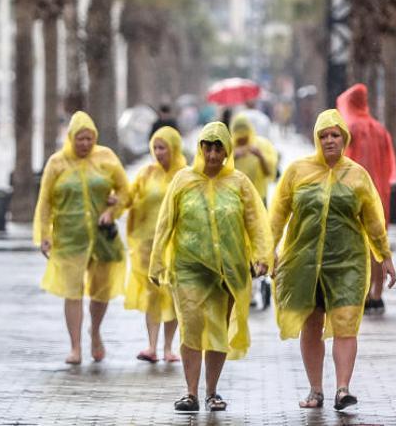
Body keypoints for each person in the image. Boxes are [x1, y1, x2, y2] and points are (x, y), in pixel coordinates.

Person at [269, 109, 396, 411]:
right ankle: (316, 391)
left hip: (347, 263)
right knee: (312, 324)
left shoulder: (357, 176)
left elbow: (373, 220)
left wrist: (385, 255)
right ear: (316, 139)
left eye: (335, 135)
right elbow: (277, 215)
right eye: (324, 135)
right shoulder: (297, 172)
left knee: (345, 324)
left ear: (344, 139)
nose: (329, 140)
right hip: (305, 263)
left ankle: (343, 389)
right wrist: (267, 251)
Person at [149, 122, 271, 412]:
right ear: (200, 148)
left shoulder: (240, 183)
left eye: (219, 147)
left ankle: (212, 391)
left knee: (217, 329)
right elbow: (165, 222)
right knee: (191, 326)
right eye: (208, 146)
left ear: (227, 151)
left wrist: (262, 255)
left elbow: (257, 222)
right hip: (188, 267)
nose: (213, 153)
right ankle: (190, 392)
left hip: (227, 270)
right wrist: (156, 262)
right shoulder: (183, 180)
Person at [33, 111, 130, 365]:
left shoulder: (107, 158)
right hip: (69, 237)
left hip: (102, 239)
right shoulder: (57, 163)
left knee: (101, 292)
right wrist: (45, 234)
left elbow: (125, 190)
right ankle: (75, 347)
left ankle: (95, 332)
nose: (85, 144)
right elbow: (45, 202)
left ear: (95, 137)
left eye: (89, 139)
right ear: (71, 138)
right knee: (72, 292)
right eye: (80, 139)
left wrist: (113, 210)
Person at [125, 126, 187, 364]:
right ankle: (151, 345)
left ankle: (169, 347)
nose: (159, 153)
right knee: (152, 294)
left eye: (163, 148)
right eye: (156, 148)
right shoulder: (145, 173)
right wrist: (115, 203)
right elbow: (130, 196)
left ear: (174, 148)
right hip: (145, 244)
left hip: (174, 244)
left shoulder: (184, 174)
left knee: (171, 294)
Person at [336, 84, 396, 314]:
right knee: (378, 244)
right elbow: (390, 165)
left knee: (356, 245)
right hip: (380, 194)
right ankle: (377, 295)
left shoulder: (348, 128)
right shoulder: (380, 129)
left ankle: (362, 293)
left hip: (354, 195)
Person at [230, 113, 279, 205]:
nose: (242, 141)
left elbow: (269, 172)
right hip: (236, 200)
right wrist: (233, 157)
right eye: (239, 138)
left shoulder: (262, 145)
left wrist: (260, 156)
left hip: (259, 199)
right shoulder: (229, 148)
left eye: (245, 137)